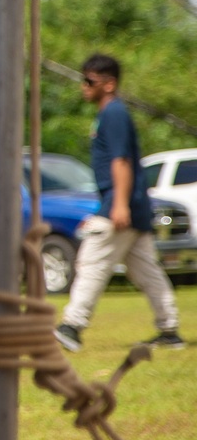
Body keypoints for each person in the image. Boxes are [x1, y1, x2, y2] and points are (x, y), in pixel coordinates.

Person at [54, 53, 185, 352]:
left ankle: (71, 326)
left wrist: (120, 204)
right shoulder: (110, 113)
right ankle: (169, 330)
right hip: (132, 203)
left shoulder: (113, 113)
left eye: (90, 81)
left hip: (120, 201)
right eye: (83, 79)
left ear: (109, 84)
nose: (83, 86)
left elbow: (121, 161)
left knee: (92, 261)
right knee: (145, 271)